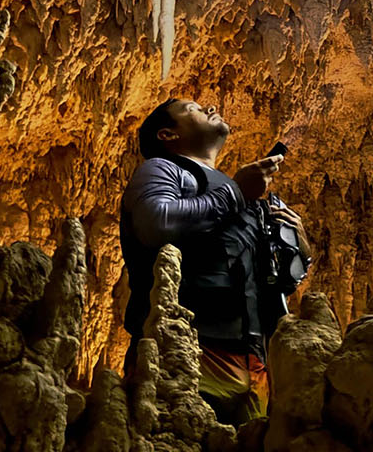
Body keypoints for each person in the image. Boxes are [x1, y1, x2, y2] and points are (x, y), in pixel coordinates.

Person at [119, 97, 311, 424]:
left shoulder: (238, 195)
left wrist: (299, 243)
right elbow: (155, 223)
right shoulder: (162, 169)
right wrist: (236, 192)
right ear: (168, 135)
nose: (208, 106)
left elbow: (275, 282)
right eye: (191, 108)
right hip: (186, 353)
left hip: (254, 365)